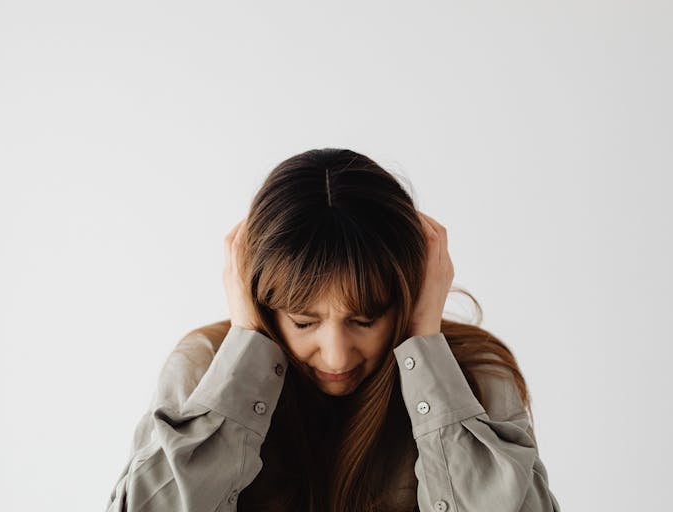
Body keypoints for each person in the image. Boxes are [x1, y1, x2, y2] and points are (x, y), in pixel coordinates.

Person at [106, 148, 562, 511]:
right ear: (260, 300)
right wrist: (246, 348)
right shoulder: (204, 366)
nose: (337, 355)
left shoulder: (473, 373)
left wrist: (424, 341)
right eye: (304, 322)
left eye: (365, 319)